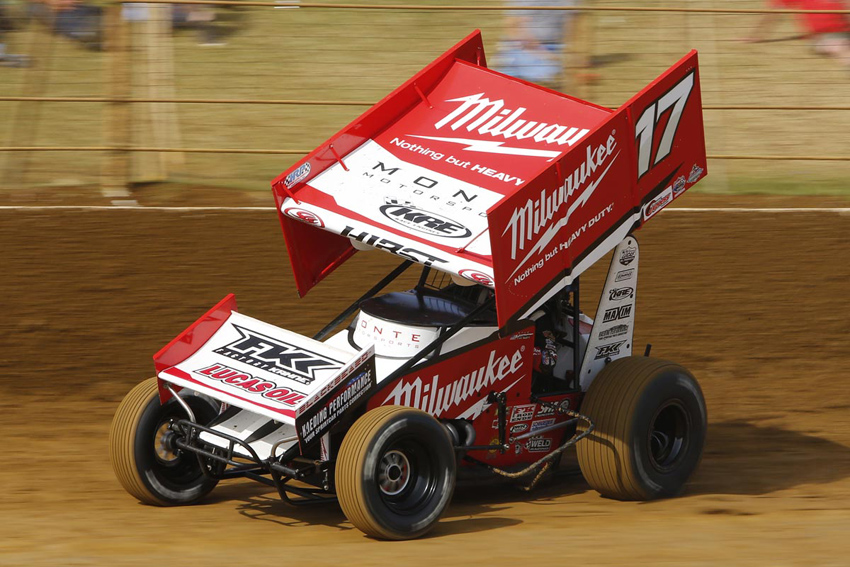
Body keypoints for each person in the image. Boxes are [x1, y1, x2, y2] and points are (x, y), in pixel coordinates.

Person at [495, 0, 580, 89]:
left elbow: (574, 31)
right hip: (520, 48)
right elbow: (513, 27)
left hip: (554, 49)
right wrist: (548, 56)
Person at [741, 0, 850, 70]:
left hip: (845, 32)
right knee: (843, 47)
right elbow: (773, 11)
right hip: (824, 36)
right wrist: (756, 35)